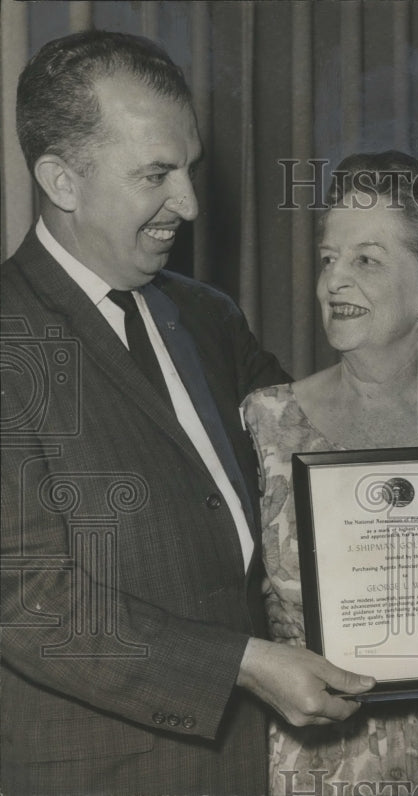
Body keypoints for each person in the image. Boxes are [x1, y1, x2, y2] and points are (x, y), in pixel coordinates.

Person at [0, 30, 373, 795]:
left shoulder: (206, 317)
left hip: (247, 770)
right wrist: (244, 662)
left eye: (190, 169)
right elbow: (31, 598)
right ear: (61, 180)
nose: (191, 204)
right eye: (156, 175)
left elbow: (318, 469)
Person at [241, 150, 418, 795]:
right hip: (305, 763)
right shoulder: (265, 420)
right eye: (329, 257)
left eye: (366, 260)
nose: (334, 281)